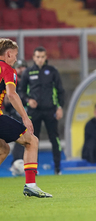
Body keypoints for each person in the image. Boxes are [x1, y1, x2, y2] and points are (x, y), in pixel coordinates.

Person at [0, 38, 52, 197]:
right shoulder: (7, 69)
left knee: (3, 149)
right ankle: (30, 185)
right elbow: (12, 94)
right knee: (32, 141)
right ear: (8, 54)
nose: (16, 59)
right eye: (15, 55)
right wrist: (25, 117)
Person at [19, 46, 65, 175]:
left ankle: (57, 168)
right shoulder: (28, 72)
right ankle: (34, 170)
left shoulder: (52, 71)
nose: (40, 59)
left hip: (51, 110)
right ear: (33, 58)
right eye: (37, 57)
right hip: (34, 112)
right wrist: (28, 101)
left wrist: (60, 107)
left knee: (55, 139)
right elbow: (21, 91)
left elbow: (60, 90)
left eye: (42, 57)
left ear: (46, 58)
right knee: (32, 139)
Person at [4, 59, 27, 174]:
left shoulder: (30, 83)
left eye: (23, 67)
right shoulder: (10, 81)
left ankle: (26, 165)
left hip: (28, 114)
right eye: (19, 67)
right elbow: (8, 100)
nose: (21, 70)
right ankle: (17, 162)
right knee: (20, 139)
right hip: (15, 115)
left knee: (30, 139)